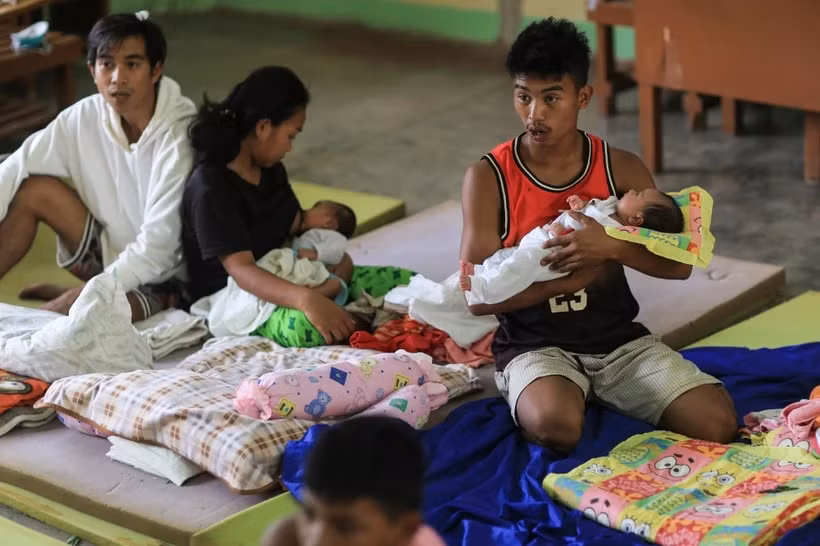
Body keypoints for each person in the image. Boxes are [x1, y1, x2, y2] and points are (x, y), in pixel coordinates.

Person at [459, 18, 737, 452]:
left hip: (616, 340)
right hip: (534, 344)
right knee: (555, 427)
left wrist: (611, 247)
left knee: (717, 423)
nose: (535, 114)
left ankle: (596, 389)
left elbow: (680, 267)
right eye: (523, 96)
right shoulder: (487, 177)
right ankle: (560, 391)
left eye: (551, 97)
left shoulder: (620, 169)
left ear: (582, 96)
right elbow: (475, 296)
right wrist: (569, 281)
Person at [0, 12, 196, 322]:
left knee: (76, 322)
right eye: (107, 64)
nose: (118, 77)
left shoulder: (179, 135)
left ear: (156, 70)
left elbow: (159, 248)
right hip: (110, 258)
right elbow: (14, 167)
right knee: (33, 189)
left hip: (166, 278)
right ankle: (78, 297)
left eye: (132, 64)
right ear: (92, 71)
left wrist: (81, 298)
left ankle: (72, 300)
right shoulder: (84, 117)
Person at [181, 66, 359, 346]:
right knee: (311, 328)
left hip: (284, 275)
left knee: (399, 284)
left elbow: (295, 227)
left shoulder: (270, 170)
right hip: (233, 297)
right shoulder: (211, 187)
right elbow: (242, 271)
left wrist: (335, 260)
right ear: (263, 127)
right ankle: (327, 295)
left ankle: (330, 293)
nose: (290, 147)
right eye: (291, 136)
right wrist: (307, 298)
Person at [460, 188, 684, 305]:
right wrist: (581, 205)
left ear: (636, 220)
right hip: (544, 236)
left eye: (639, 195)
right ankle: (483, 272)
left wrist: (566, 229)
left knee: (521, 266)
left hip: (556, 253)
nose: (633, 191)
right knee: (508, 257)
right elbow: (589, 209)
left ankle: (483, 289)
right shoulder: (613, 204)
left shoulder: (618, 230)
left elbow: (588, 235)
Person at [261, 416, 446, 546]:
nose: (317, 541)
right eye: (310, 513)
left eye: (345, 527)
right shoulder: (290, 537)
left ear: (405, 530)